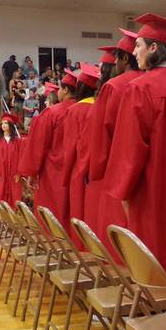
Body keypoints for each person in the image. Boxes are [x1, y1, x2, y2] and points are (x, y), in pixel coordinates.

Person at [104, 14, 166, 269]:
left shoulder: (140, 88)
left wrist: (123, 191)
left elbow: (130, 148)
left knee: (151, 253)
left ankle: (152, 304)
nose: (134, 52)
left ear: (153, 48)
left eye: (138, 46)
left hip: (150, 188)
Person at [88, 29, 140, 248]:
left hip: (117, 170)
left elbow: (101, 135)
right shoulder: (152, 82)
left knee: (117, 238)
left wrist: (94, 169)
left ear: (124, 58)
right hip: (150, 173)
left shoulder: (114, 87)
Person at [18, 69, 77, 223]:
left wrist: (31, 173)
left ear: (64, 90)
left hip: (53, 173)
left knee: (53, 218)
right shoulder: (85, 109)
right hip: (78, 172)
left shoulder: (52, 113)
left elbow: (38, 147)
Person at [60, 63, 100, 229]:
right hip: (97, 169)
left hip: (78, 167)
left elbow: (70, 147)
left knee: (78, 212)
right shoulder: (99, 107)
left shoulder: (75, 111)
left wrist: (66, 173)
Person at [0, 113, 24, 206]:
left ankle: (14, 215)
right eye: (2, 123)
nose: (3, 125)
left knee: (15, 194)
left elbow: (21, 157)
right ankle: (1, 215)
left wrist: (19, 173)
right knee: (0, 193)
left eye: (6, 123)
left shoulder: (18, 141)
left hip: (14, 173)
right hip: (0, 173)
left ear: (10, 125)